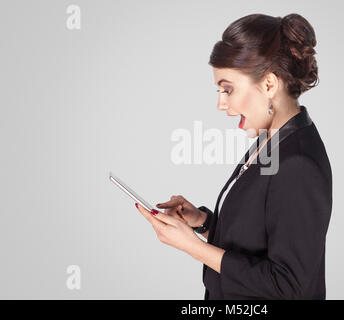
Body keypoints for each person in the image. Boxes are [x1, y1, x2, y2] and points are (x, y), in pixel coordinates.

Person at [135, 13, 333, 300]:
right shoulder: (270, 140)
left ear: (268, 85)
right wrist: (202, 221)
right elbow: (259, 238)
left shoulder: (298, 164)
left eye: (227, 89)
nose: (220, 103)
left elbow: (289, 286)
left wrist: (192, 247)